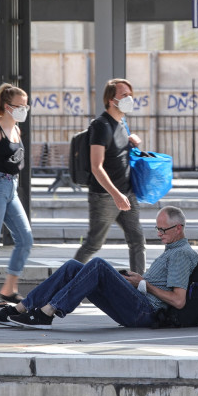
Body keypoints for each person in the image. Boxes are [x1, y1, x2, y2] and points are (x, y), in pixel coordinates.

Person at [0, 205, 197, 329]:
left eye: (163, 230)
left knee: (98, 264)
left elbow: (178, 301)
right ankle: (21, 309)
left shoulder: (181, 254)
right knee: (73, 267)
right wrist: (136, 280)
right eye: (157, 229)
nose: (159, 234)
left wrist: (144, 284)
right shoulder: (171, 249)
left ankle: (47, 312)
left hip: (145, 312)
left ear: (178, 228)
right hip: (137, 303)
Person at [73, 77, 147, 274]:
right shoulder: (101, 126)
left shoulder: (122, 123)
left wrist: (131, 143)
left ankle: (138, 288)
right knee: (93, 244)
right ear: (110, 99)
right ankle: (65, 283)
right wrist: (116, 195)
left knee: (137, 241)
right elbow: (96, 166)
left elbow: (118, 155)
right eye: (124, 95)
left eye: (130, 95)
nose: (129, 99)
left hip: (127, 192)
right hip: (105, 196)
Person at [0, 83, 35, 308]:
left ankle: (9, 287)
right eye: (18, 105)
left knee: (25, 238)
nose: (23, 109)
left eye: (25, 105)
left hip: (11, 187)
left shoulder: (17, 129)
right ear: (6, 106)